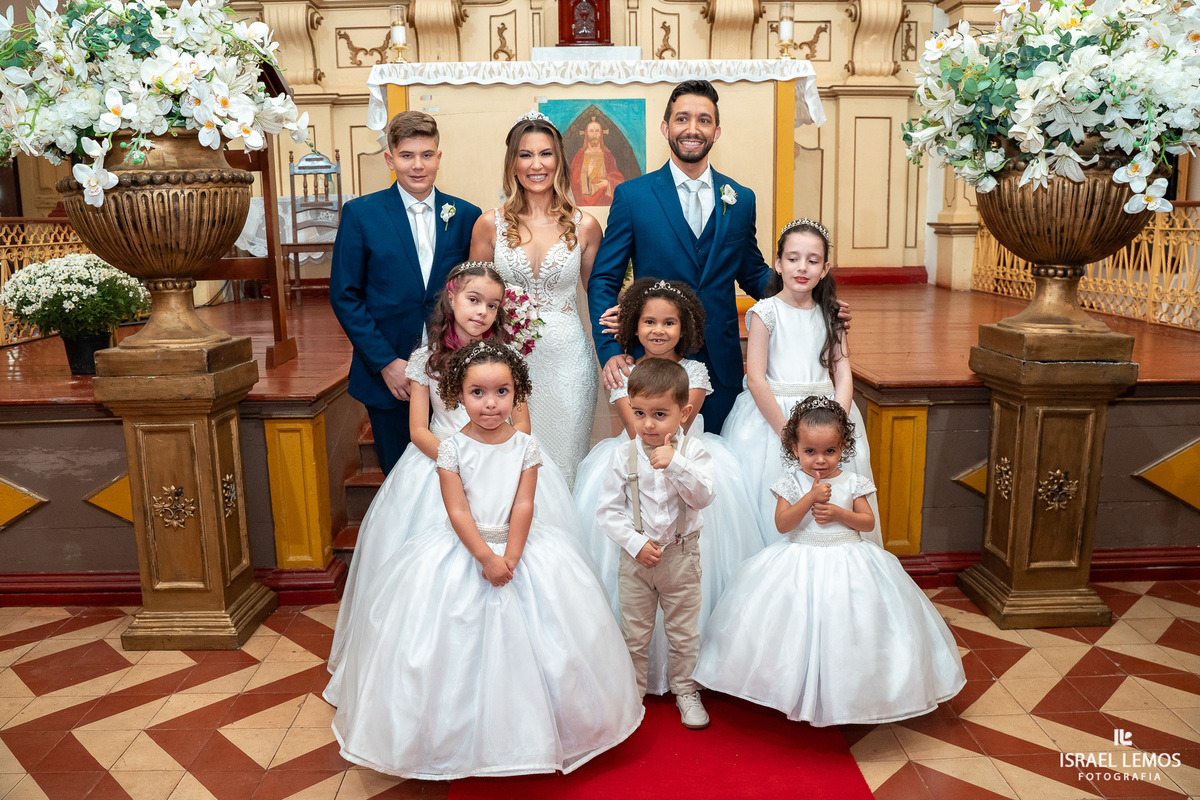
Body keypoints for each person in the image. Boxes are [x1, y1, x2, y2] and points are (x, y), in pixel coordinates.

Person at [327, 340, 643, 779]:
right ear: (458, 395)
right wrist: (485, 557)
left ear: (518, 395)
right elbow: (457, 510)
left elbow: (524, 506)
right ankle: (449, 739)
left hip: (521, 548)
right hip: (465, 550)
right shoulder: (451, 450)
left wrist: (511, 555)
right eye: (478, 393)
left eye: (502, 393)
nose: (491, 404)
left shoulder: (527, 448)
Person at [327, 262, 575, 676]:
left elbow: (523, 423)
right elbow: (419, 430)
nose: (482, 312)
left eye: (493, 305)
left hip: (504, 461)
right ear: (452, 296)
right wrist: (460, 458)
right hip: (440, 460)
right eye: (474, 300)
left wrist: (498, 455)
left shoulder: (507, 357)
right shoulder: (426, 359)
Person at [693, 398, 966, 726]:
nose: (819, 461)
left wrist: (840, 513)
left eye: (829, 452)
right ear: (795, 448)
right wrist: (808, 498)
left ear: (844, 448)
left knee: (849, 625)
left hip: (849, 557)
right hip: (798, 558)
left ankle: (854, 692)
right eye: (810, 452)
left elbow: (868, 523)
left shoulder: (853, 482)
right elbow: (783, 525)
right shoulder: (791, 483)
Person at [573, 278, 764, 694]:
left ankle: (687, 680)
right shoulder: (624, 370)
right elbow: (634, 425)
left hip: (684, 462)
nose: (658, 330)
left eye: (669, 323)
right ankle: (634, 682)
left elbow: (680, 426)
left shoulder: (694, 371)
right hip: (632, 461)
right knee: (633, 614)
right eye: (648, 321)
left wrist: (671, 457)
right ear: (634, 325)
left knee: (686, 607)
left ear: (685, 327)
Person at [585, 79, 773, 434]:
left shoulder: (740, 198)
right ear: (665, 127)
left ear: (716, 131)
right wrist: (610, 348)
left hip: (720, 361)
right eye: (682, 119)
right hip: (652, 359)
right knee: (653, 461)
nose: (692, 129)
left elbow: (752, 272)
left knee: (716, 464)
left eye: (703, 120)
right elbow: (604, 278)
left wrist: (809, 294)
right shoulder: (633, 196)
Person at [331, 111, 481, 474]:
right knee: (401, 478)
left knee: (461, 474)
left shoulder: (465, 216)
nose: (417, 165)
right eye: (407, 155)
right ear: (390, 158)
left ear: (439, 157)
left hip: (453, 372)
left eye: (426, 155)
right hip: (389, 375)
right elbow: (345, 295)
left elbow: (473, 291)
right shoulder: (362, 215)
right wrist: (386, 363)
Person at [722, 218, 883, 547]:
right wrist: (788, 433)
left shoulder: (831, 314)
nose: (802, 268)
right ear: (778, 263)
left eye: (812, 261)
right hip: (773, 419)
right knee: (772, 496)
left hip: (827, 415)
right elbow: (755, 378)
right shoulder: (765, 312)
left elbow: (842, 370)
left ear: (825, 269)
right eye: (793, 258)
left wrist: (838, 417)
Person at [470, 111, 604, 486]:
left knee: (564, 461)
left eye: (545, 154)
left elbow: (600, 297)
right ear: (513, 163)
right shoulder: (488, 224)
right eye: (525, 155)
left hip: (568, 363)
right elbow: (471, 302)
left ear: (559, 161)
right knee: (509, 462)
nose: (536, 165)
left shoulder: (585, 226)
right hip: (505, 360)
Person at [595, 358, 716, 730]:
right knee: (634, 632)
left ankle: (684, 689)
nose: (647, 424)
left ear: (685, 413)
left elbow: (704, 496)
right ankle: (633, 694)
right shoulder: (622, 455)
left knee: (683, 631)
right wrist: (634, 543)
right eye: (639, 413)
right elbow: (608, 512)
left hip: (681, 557)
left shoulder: (693, 453)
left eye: (660, 414)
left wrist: (676, 464)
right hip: (636, 562)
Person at [570, 118, 625, 206]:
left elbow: (619, 180)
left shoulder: (607, 155)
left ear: (601, 134)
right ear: (586, 134)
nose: (594, 135)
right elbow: (572, 182)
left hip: (604, 199)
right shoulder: (580, 155)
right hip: (584, 202)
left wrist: (608, 183)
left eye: (597, 131)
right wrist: (586, 174)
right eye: (591, 131)